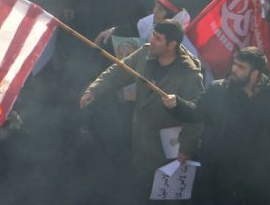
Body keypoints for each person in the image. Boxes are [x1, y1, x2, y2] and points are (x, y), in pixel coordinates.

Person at [80, 20, 204, 203]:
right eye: (153, 35)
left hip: (169, 153)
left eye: (158, 38)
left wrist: (187, 149)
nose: (152, 40)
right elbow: (120, 70)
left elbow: (196, 115)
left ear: (172, 45)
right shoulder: (145, 53)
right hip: (141, 145)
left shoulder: (189, 74)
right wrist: (95, 89)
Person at [161, 47, 270, 204]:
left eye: (241, 67)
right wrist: (176, 104)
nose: (234, 69)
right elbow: (196, 111)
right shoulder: (218, 91)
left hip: (261, 179)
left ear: (255, 74)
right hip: (222, 175)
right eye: (235, 64)